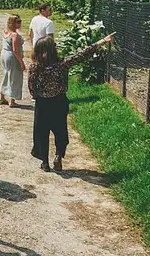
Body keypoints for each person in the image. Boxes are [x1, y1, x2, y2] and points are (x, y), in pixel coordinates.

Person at [28, 32, 114, 172]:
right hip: (59, 102)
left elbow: (32, 87)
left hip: (42, 104)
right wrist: (101, 42)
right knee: (60, 131)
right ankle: (58, 156)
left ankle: (45, 162)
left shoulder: (35, 67)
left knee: (41, 133)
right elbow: (81, 55)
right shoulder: (62, 64)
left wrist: (38, 95)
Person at [0, 14, 26, 107]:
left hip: (4, 54)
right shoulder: (14, 35)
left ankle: (1, 97)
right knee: (15, 77)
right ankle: (12, 101)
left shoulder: (6, 32)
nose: (20, 23)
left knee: (6, 74)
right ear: (13, 23)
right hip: (12, 57)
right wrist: (21, 63)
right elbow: (15, 50)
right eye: (18, 22)